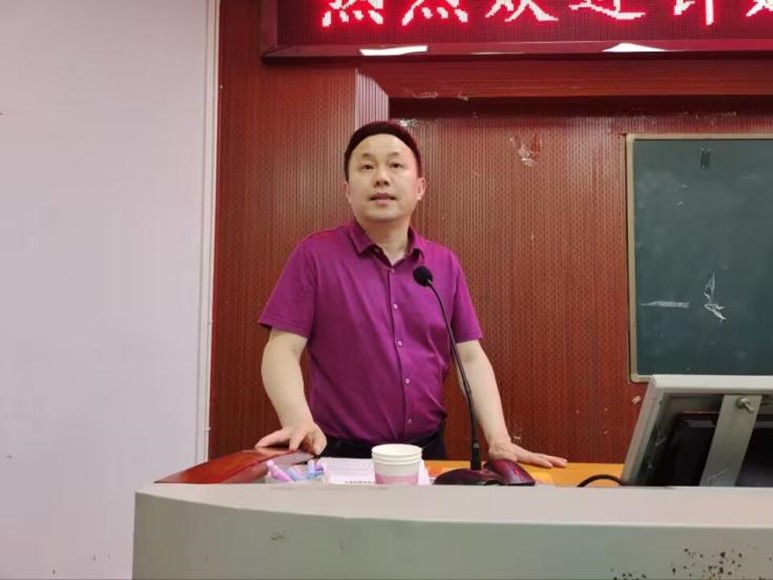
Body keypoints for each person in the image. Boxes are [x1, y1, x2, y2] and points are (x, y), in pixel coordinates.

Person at [255, 120, 567, 468]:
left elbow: (470, 357)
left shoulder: (443, 264)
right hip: (340, 455)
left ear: (420, 188)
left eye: (395, 165)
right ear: (347, 190)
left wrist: (499, 439)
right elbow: (282, 348)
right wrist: (297, 419)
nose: (381, 177)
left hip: (426, 452)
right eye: (367, 167)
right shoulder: (315, 256)